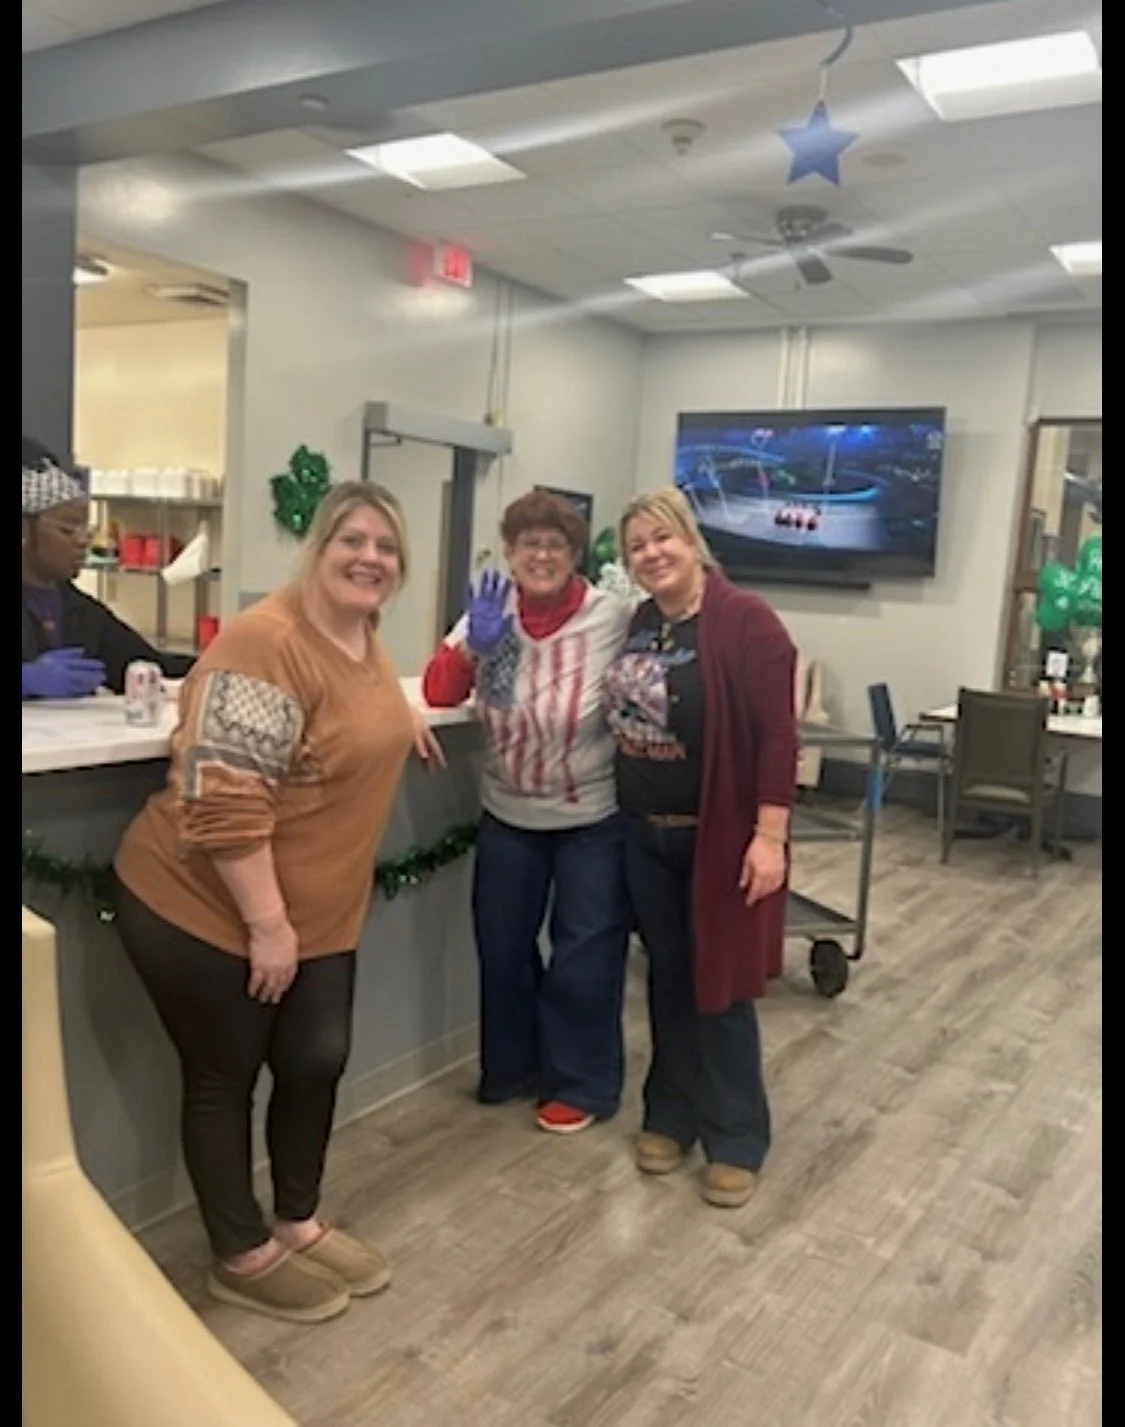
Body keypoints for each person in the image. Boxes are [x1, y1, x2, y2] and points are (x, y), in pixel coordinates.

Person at [111, 481, 445, 1325]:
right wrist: (266, 926)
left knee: (314, 1059)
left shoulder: (361, 634)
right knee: (224, 1074)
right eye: (352, 540)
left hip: (318, 916)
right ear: (318, 547)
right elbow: (222, 798)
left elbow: (343, 711)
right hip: (205, 903)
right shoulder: (266, 641)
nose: (370, 557)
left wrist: (398, 718)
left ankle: (296, 1220)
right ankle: (239, 1253)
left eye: (386, 546)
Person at [602, 487, 799, 1209]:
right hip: (642, 834)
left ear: (691, 541)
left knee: (720, 987)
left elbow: (778, 735)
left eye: (663, 538)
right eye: (636, 546)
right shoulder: (641, 622)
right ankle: (670, 1114)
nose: (650, 554)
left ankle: (736, 1136)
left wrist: (769, 836)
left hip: (716, 836)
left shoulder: (747, 621)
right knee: (666, 978)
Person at [422, 490, 633, 1134]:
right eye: (528, 544)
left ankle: (581, 1082)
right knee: (503, 948)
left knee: (585, 953)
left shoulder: (611, 616)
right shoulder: (491, 611)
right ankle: (513, 1068)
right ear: (510, 552)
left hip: (589, 813)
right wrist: (472, 647)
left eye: (555, 545)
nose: (541, 556)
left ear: (575, 555)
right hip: (508, 810)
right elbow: (438, 691)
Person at [22, 436, 195, 698]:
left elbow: (145, 665)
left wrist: (220, 662)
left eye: (86, 529)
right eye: (68, 530)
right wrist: (26, 680)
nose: (83, 541)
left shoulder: (80, 611)